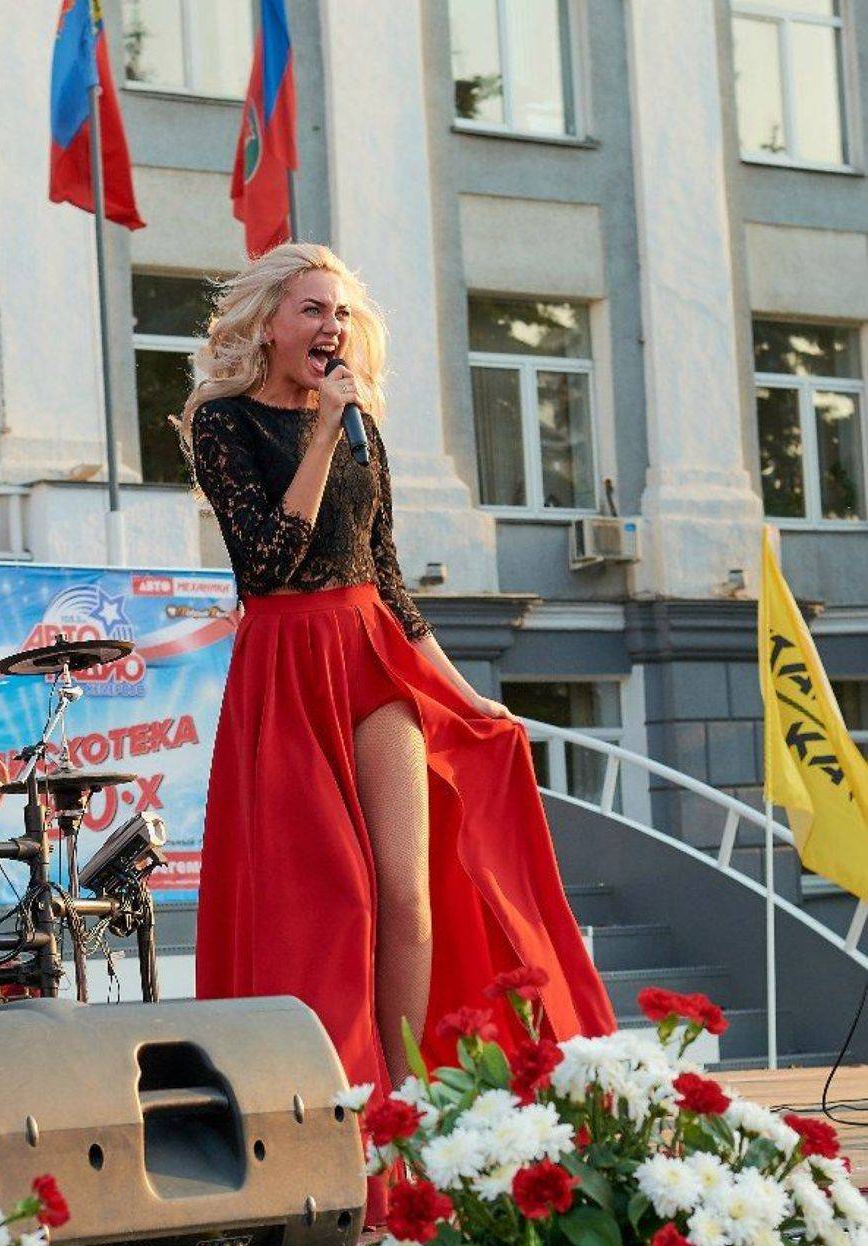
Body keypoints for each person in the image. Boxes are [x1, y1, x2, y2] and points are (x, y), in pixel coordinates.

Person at [184, 244, 614, 1154]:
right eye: (312, 310)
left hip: (370, 656)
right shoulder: (223, 421)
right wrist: (321, 434)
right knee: (331, 903)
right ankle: (328, 1108)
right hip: (284, 670)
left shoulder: (362, 429)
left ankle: (408, 1107)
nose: (331, 328)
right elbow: (268, 562)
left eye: (340, 312)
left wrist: (468, 699)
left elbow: (386, 578)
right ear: (268, 324)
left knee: (406, 895)